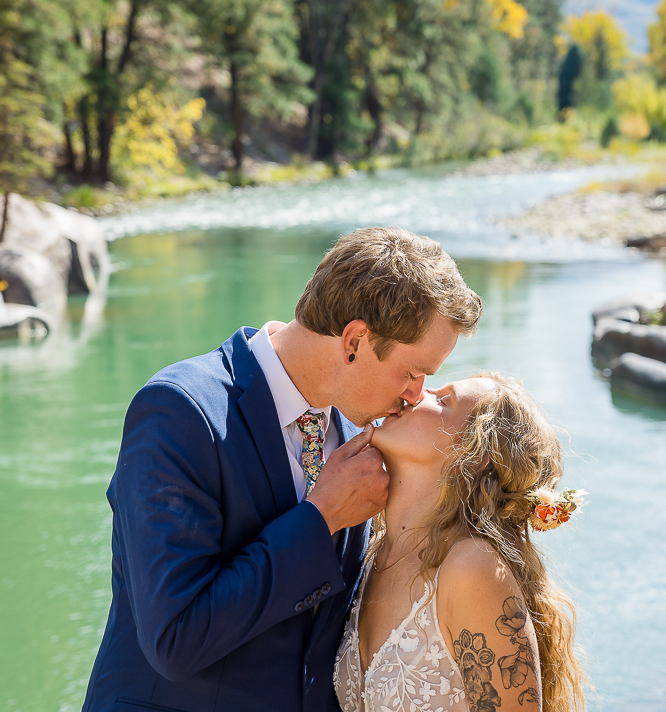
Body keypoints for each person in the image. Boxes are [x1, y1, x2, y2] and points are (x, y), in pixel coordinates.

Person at [82, 227, 483, 712]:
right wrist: (321, 518)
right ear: (355, 340)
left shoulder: (364, 434)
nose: (416, 394)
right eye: (413, 371)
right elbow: (175, 639)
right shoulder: (180, 412)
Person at [334, 372, 587, 712]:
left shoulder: (471, 569)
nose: (415, 393)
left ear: (475, 453)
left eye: (442, 401)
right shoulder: (369, 550)